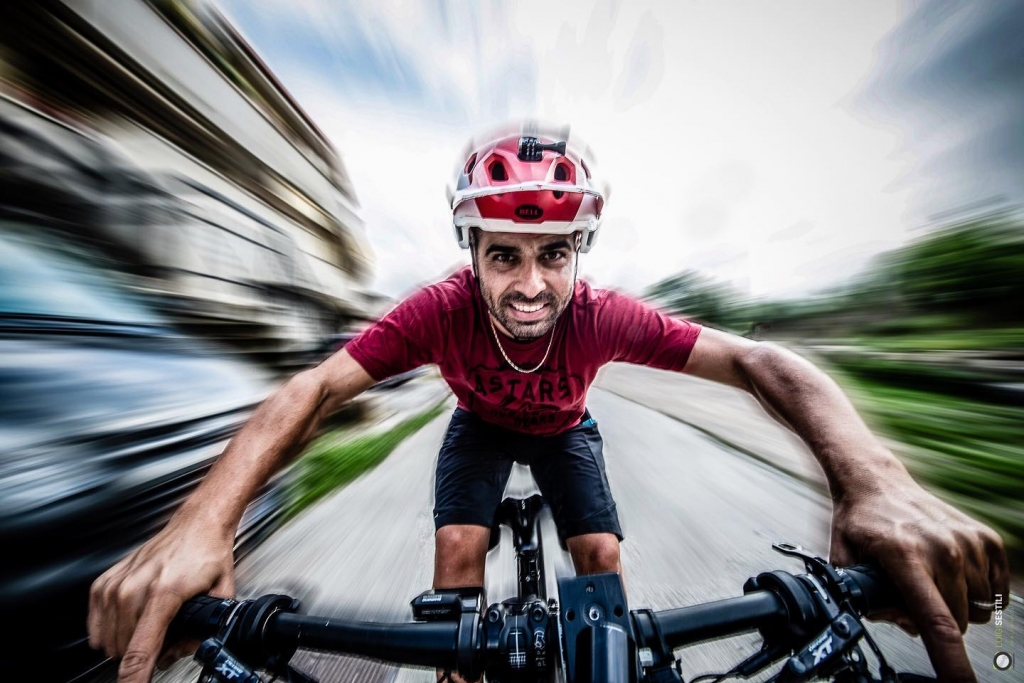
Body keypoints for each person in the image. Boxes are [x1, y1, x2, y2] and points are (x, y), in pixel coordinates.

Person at [88, 126, 1008, 683]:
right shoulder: (436, 311)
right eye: (504, 256)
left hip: (568, 430)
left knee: (600, 554)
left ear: (580, 251)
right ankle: (456, 669)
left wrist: (877, 478)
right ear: (471, 249)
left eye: (555, 254)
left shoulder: (604, 316)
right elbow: (316, 387)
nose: (531, 286)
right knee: (456, 552)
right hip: (479, 428)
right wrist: (202, 520)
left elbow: (763, 362)